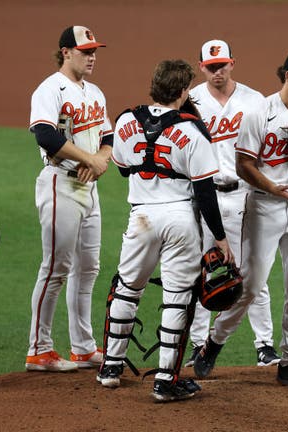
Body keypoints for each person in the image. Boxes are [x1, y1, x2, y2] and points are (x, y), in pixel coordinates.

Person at [193, 48, 288, 391]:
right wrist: (273, 188)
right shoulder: (260, 112)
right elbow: (243, 165)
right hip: (264, 207)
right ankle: (214, 341)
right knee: (250, 286)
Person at [97, 59, 232, 402]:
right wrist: (220, 237)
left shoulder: (126, 120)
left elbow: (124, 168)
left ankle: (110, 367)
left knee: (126, 289)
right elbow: (205, 192)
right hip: (179, 219)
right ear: (184, 91)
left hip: (141, 216)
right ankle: (165, 381)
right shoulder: (193, 130)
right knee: (178, 298)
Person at [185, 39, 279, 368]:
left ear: (232, 64)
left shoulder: (255, 101)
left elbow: (267, 148)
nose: (217, 72)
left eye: (222, 65)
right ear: (201, 67)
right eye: (211, 67)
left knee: (254, 269)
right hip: (205, 196)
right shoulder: (191, 101)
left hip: (246, 194)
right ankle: (199, 343)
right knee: (205, 269)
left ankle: (265, 344)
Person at [25, 25, 112, 372]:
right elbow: (45, 135)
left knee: (88, 268)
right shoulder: (50, 89)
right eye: (85, 51)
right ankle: (39, 349)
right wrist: (88, 159)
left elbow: (108, 136)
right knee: (56, 268)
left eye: (94, 51)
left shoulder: (95, 92)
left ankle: (83, 347)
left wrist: (99, 159)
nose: (92, 57)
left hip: (89, 188)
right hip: (60, 184)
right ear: (66, 52)